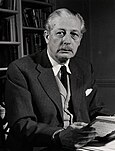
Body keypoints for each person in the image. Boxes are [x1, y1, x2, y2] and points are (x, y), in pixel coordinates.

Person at [5, 8, 111, 151]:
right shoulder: (21, 69)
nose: (67, 41)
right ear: (47, 36)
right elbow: (21, 124)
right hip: (41, 146)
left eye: (74, 34)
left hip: (83, 146)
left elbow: (96, 109)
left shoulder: (84, 68)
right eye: (60, 33)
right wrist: (59, 135)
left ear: (80, 40)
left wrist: (110, 123)